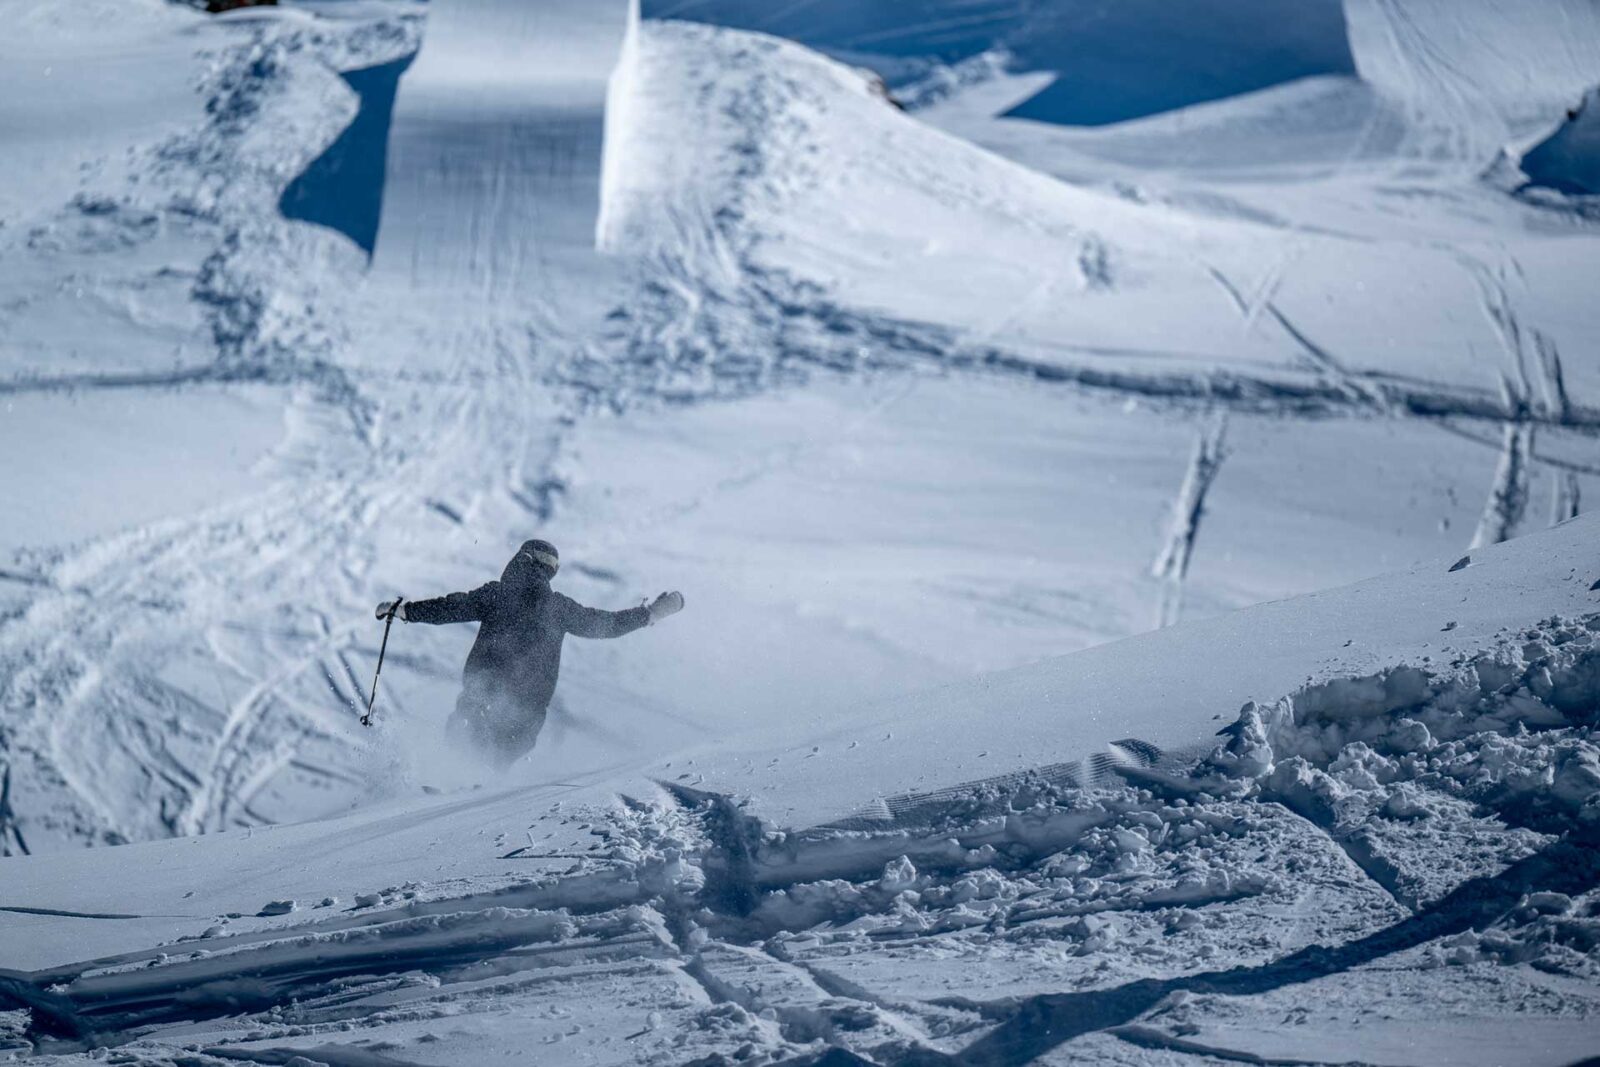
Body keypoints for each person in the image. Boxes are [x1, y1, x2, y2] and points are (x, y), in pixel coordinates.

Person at [375, 539, 684, 768]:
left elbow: (449, 607)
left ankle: (454, 793)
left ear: (520, 560)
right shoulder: (558, 607)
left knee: (463, 742)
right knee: (495, 760)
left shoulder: (497, 594)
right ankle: (473, 797)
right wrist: (650, 614)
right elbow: (606, 624)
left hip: (483, 696)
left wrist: (404, 611)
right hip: (529, 710)